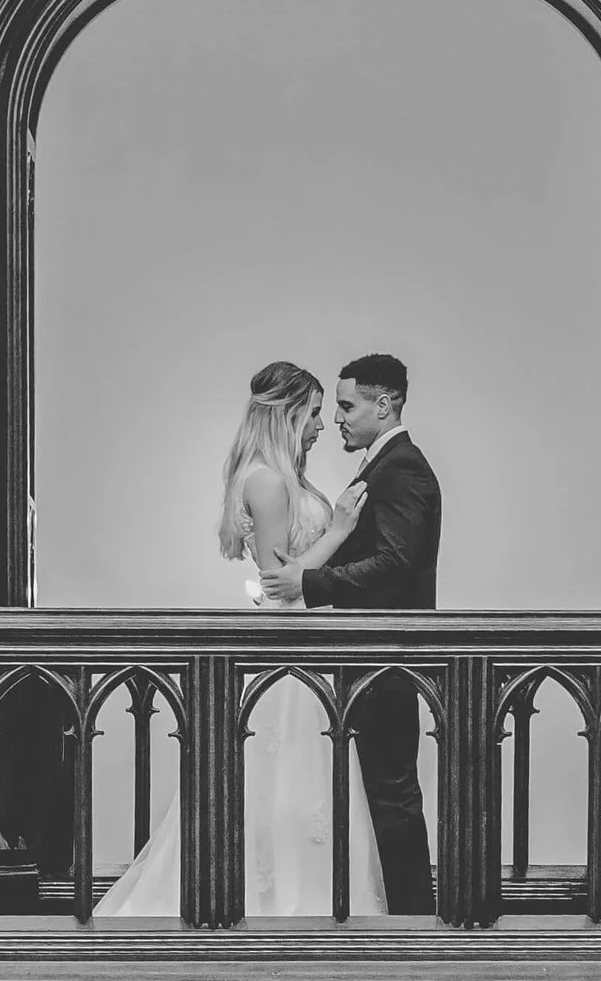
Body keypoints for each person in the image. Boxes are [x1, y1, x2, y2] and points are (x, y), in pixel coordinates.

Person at [93, 360, 384, 918]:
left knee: (301, 785)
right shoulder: (268, 481)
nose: (321, 427)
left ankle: (305, 898)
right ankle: (278, 905)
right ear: (289, 412)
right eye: (315, 413)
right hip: (287, 646)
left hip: (307, 641)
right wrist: (342, 530)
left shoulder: (283, 476)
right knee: (284, 782)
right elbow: (282, 582)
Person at [263, 352, 440, 917]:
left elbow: (393, 563)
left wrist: (310, 583)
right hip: (367, 657)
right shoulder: (381, 465)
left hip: (388, 656)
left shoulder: (402, 468)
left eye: (347, 405)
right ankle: (398, 915)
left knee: (392, 794)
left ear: (383, 405)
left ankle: (413, 922)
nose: (337, 418)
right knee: (382, 794)